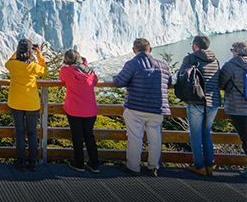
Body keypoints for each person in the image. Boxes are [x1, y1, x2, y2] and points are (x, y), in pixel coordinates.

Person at [113, 38, 172, 177]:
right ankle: (153, 167)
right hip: (157, 108)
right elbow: (168, 83)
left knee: (135, 137)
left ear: (134, 50)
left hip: (136, 107)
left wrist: (115, 77)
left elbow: (119, 81)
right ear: (150, 49)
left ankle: (133, 167)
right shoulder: (163, 66)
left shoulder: (133, 64)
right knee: (155, 137)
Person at [180, 35, 221, 176]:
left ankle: (199, 166)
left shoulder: (190, 58)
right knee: (206, 133)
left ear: (195, 46)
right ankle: (210, 165)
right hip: (213, 101)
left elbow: (182, 76)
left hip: (196, 101)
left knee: (195, 135)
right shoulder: (215, 60)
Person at [5, 38, 46, 171]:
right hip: (32, 104)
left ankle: (20, 161)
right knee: (32, 133)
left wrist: (17, 53)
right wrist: (38, 54)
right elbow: (44, 70)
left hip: (16, 103)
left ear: (18, 51)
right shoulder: (33, 66)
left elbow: (8, 63)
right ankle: (32, 162)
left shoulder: (12, 65)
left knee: (20, 133)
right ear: (29, 52)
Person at [59, 49, 99, 173]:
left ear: (67, 60)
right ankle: (94, 165)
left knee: (77, 137)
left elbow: (62, 79)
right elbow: (95, 82)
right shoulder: (91, 72)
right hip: (90, 110)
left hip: (74, 110)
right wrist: (84, 64)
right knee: (89, 136)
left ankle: (79, 164)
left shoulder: (66, 70)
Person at [219, 41, 247, 178]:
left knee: (245, 138)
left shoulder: (230, 65)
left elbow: (221, 83)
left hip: (237, 108)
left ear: (236, 51)